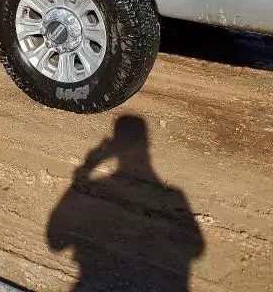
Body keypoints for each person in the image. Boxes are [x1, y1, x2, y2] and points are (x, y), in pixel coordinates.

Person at [47, 116, 204, 291]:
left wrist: (86, 170)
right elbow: (197, 249)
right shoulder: (175, 196)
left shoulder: (99, 186)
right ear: (146, 144)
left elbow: (55, 241)